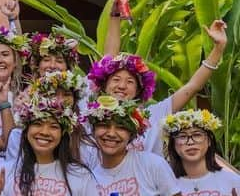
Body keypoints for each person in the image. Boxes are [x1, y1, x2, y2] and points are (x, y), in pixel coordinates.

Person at [89, 19, 228, 155]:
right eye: (116, 79)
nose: (122, 86)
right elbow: (108, 58)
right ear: (104, 84)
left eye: (130, 82)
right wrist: (115, 16)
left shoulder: (154, 116)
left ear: (139, 90)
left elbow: (193, 87)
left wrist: (218, 48)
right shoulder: (89, 114)